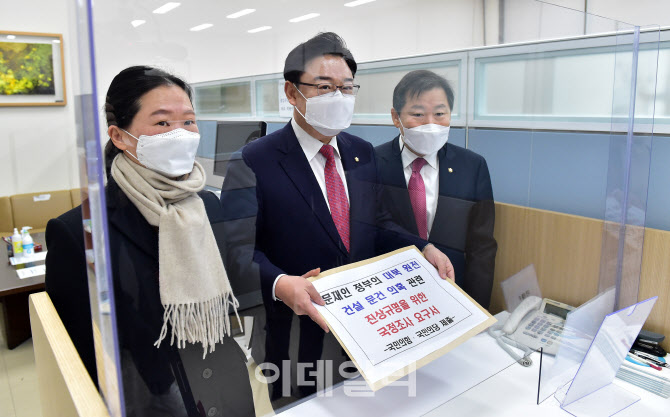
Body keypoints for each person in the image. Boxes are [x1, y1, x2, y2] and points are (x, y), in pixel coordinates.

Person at [220, 33, 454, 400]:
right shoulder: (253, 161)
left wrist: (421, 247)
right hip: (297, 331)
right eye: (324, 87)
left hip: (364, 325)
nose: (339, 98)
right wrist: (282, 283)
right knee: (301, 404)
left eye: (346, 88)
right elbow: (236, 253)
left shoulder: (361, 153)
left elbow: (377, 225)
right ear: (292, 92)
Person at [45, 66, 254, 417]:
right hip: (149, 396)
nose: (181, 134)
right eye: (162, 124)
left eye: (189, 122)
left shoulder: (206, 206)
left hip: (223, 382)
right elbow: (78, 351)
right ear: (120, 136)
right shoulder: (79, 230)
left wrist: (283, 285)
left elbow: (235, 279)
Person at [376, 70, 497, 308]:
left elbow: (481, 247)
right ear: (395, 117)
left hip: (452, 293)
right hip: (391, 297)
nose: (430, 123)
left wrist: (477, 307)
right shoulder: (372, 162)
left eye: (440, 113)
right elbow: (373, 229)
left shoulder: (472, 166)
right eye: (418, 114)